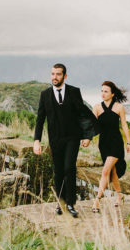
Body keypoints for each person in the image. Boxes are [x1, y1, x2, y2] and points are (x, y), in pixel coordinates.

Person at [33, 63, 97, 218]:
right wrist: (36, 140)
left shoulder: (74, 92)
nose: (55, 77)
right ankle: (60, 202)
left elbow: (83, 114)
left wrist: (87, 136)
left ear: (65, 76)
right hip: (55, 140)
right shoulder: (45, 95)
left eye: (58, 74)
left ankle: (70, 203)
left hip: (72, 138)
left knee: (69, 168)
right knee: (59, 170)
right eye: (52, 74)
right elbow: (40, 120)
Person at [91, 81, 130, 213]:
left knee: (105, 171)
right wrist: (86, 139)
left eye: (106, 91)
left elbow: (124, 125)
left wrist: (129, 142)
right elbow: (92, 127)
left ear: (112, 93)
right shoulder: (97, 107)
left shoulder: (119, 107)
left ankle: (97, 200)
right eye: (101, 91)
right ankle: (119, 195)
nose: (103, 94)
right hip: (103, 144)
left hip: (116, 143)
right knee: (113, 171)